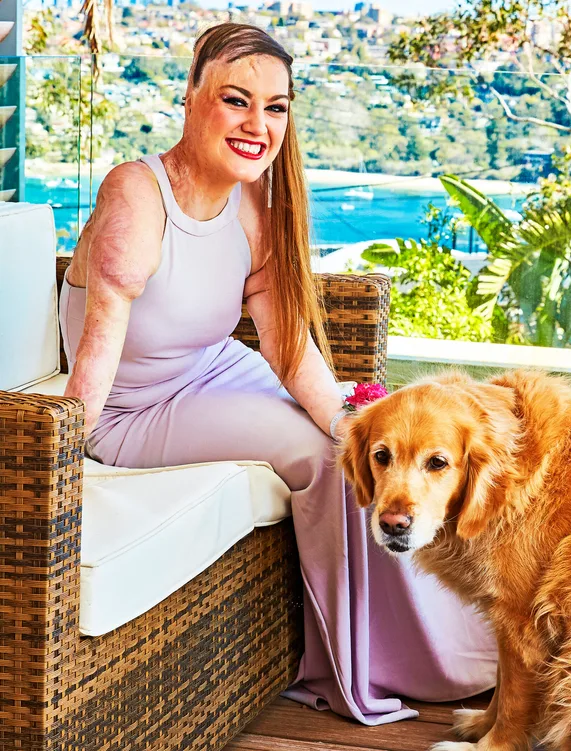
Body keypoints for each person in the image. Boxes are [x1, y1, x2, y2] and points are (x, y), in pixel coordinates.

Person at [60, 22, 496, 725]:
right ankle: (362, 661)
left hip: (210, 372)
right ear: (191, 96)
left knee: (357, 440)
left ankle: (472, 638)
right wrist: (60, 462)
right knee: (327, 459)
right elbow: (94, 357)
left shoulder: (251, 202)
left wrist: (345, 416)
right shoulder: (136, 195)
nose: (257, 124)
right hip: (133, 409)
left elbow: (288, 346)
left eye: (276, 107)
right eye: (237, 100)